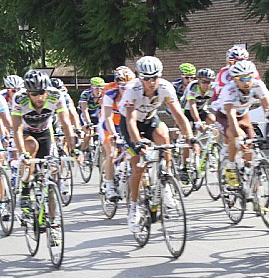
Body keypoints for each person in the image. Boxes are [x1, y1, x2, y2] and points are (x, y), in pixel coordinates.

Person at [121, 56, 195, 233]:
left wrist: (190, 137)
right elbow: (130, 121)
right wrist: (137, 142)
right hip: (131, 125)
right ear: (140, 78)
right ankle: (134, 207)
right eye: (146, 78)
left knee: (164, 137)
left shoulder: (165, 87)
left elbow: (178, 115)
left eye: (154, 77)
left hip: (149, 119)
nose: (151, 82)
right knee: (139, 165)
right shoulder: (132, 89)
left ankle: (166, 180)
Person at [12, 70, 74, 216]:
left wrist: (73, 146)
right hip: (26, 133)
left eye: (42, 92)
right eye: (34, 94)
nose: (39, 97)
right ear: (27, 93)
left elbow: (65, 122)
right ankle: (25, 190)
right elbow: (16, 128)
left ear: (47, 90)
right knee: (31, 150)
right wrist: (22, 153)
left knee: (52, 172)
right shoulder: (19, 98)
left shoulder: (55, 95)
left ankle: (53, 223)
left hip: (45, 131)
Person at [211, 60, 269, 189]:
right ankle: (230, 167)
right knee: (238, 137)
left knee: (251, 144)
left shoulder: (257, 85)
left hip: (243, 114)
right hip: (225, 116)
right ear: (234, 79)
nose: (246, 82)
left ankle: (248, 171)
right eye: (241, 79)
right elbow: (230, 114)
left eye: (249, 77)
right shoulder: (229, 89)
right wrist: (237, 136)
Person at [100, 65, 135, 200]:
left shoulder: (135, 94)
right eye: (123, 86)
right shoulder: (110, 95)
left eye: (129, 86)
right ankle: (108, 186)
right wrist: (114, 134)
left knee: (131, 152)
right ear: (117, 85)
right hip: (108, 125)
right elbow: (107, 118)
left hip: (125, 125)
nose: (126, 90)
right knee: (112, 153)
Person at [78, 77, 104, 153]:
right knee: (89, 133)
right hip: (85, 113)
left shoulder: (104, 94)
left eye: (101, 88)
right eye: (96, 88)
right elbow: (84, 110)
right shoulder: (86, 94)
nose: (99, 91)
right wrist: (88, 123)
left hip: (96, 112)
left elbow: (105, 110)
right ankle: (81, 152)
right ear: (91, 87)